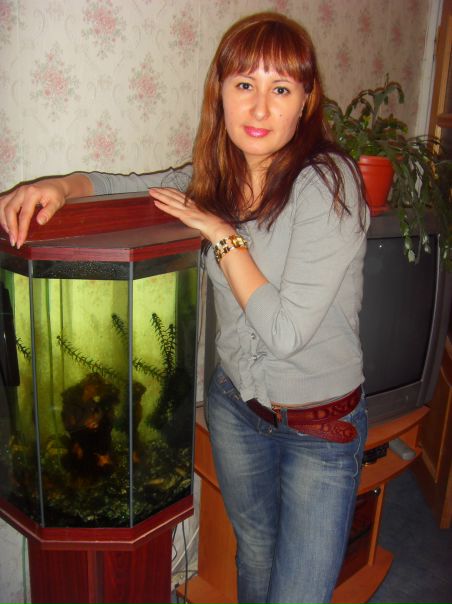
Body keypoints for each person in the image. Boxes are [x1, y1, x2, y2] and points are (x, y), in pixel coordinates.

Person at [0, 12, 370, 604]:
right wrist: (61, 187)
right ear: (220, 93)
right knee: (254, 554)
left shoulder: (329, 184)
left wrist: (221, 233)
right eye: (244, 84)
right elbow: (133, 186)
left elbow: (284, 332)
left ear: (306, 101)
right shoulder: (216, 177)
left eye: (281, 89)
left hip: (320, 429)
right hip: (237, 410)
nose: (259, 106)